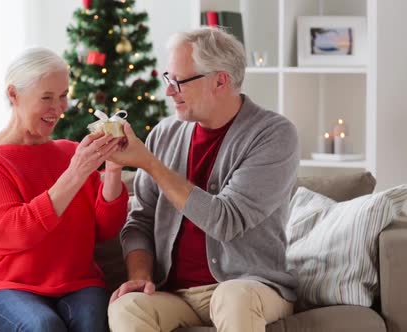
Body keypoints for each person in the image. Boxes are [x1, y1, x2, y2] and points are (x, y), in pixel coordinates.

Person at [107, 27, 299, 332]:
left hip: (250, 285)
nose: (169, 91)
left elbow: (226, 220)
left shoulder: (273, 135)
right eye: (168, 79)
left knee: (233, 296)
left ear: (220, 80)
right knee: (127, 307)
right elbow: (140, 222)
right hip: (175, 294)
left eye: (178, 81)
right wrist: (140, 275)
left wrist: (152, 165)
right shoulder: (164, 134)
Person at [0, 47, 128, 332]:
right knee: (44, 326)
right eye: (47, 98)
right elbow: (14, 232)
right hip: (8, 285)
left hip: (78, 282)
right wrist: (75, 173)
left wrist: (113, 170)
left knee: (92, 323)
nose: (59, 108)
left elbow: (105, 229)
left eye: (63, 96)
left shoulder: (70, 151)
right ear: (13, 95)